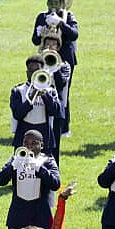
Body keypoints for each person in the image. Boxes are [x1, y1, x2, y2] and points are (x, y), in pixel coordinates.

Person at [32, 0, 77, 137]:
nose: (53, 5)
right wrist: (40, 32)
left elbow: (74, 34)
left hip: (64, 59)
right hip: (44, 59)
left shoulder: (68, 16)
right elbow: (35, 40)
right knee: (44, 90)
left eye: (56, 3)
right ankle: (44, 123)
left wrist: (61, 23)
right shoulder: (41, 17)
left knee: (63, 92)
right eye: (50, 2)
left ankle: (63, 127)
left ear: (62, 3)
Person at [10, 55, 62, 158]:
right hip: (24, 132)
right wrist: (31, 97)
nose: (34, 73)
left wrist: (45, 94)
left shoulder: (50, 90)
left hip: (45, 134)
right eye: (31, 71)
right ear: (27, 72)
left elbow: (57, 111)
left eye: (37, 70)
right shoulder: (18, 91)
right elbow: (17, 114)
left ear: (42, 71)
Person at [40, 34, 71, 167]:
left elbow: (61, 83)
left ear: (58, 47)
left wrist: (54, 66)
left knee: (54, 144)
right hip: (40, 107)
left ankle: (54, 171)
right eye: (48, 45)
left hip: (56, 108)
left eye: (53, 45)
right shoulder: (37, 63)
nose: (50, 47)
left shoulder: (64, 66)